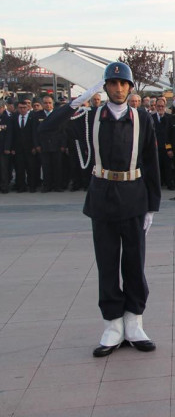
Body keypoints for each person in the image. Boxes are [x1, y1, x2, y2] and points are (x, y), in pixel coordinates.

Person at [37, 62, 161, 356]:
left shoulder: (142, 118)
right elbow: (45, 130)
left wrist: (152, 206)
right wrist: (75, 103)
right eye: (113, 83)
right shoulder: (90, 116)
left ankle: (134, 322)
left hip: (133, 197)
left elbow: (152, 163)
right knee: (107, 264)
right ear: (104, 87)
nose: (118, 89)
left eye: (123, 84)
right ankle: (112, 325)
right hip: (102, 197)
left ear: (131, 88)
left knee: (134, 263)